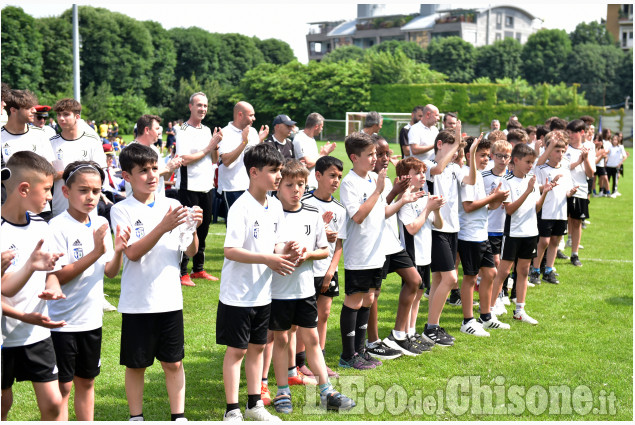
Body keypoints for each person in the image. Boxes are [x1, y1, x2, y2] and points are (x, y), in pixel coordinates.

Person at [110, 143, 202, 421]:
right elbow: (133, 254)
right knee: (136, 365)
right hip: (138, 302)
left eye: (154, 169)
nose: (151, 175)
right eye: (143, 171)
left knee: (173, 362)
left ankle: (179, 416)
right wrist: (163, 226)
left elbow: (190, 251)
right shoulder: (120, 209)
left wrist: (193, 229)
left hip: (169, 299)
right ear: (127, 176)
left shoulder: (172, 205)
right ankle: (136, 417)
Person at [216, 143, 295, 421]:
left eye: (280, 170)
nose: (278, 176)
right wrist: (267, 259)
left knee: (258, 348)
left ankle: (254, 405)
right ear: (253, 172)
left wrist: (287, 250)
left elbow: (275, 245)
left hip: (263, 293)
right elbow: (230, 251)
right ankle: (232, 410)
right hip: (238, 294)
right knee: (236, 350)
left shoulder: (275, 205)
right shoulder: (240, 207)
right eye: (274, 171)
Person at [269, 159, 355, 414]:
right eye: (290, 185)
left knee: (312, 339)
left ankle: (327, 391)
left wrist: (307, 255)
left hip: (305, 290)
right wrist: (283, 251)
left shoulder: (312, 214)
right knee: (282, 339)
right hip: (278, 291)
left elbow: (324, 250)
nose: (296, 189)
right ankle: (282, 390)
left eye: (300, 184)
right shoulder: (271, 213)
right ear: (278, 187)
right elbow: (266, 250)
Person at [47, 161, 130, 420]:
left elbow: (109, 271)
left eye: (96, 191)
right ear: (65, 192)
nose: (91, 197)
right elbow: (58, 276)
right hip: (61, 323)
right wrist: (96, 252)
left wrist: (117, 252)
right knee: (63, 386)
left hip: (91, 321)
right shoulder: (56, 227)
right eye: (83, 190)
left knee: (87, 382)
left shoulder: (100, 222)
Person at [1, 151, 66, 421]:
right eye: (48, 190)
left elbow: (50, 272)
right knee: (3, 403)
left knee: (53, 403)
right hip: (4, 339)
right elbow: (6, 289)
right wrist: (30, 266)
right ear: (24, 189)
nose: (51, 197)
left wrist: (52, 287)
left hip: (35, 334)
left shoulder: (42, 226)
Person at [369, 135, 430, 358]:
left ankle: (398, 334)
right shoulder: (366, 180)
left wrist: (401, 194)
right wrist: (397, 194)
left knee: (415, 280)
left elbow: (391, 207)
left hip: (391, 241)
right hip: (375, 243)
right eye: (380, 154)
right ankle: (372, 340)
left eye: (387, 153)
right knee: (373, 293)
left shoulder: (385, 180)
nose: (385, 158)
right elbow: (373, 210)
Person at [421, 122, 478, 346]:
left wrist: (470, 154)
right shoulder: (428, 164)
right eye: (452, 147)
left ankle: (431, 325)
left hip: (453, 228)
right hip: (436, 228)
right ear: (440, 145)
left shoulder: (455, 168)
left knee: (438, 279)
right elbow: (436, 170)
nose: (457, 154)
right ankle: (431, 327)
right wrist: (456, 142)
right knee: (451, 278)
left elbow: (471, 180)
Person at [337, 132, 386, 370]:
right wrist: (378, 191)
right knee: (354, 301)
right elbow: (357, 216)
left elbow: (382, 212)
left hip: (376, 251)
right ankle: (348, 355)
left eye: (375, 153)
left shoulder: (373, 178)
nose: (375, 158)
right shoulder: (349, 183)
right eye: (370, 155)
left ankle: (361, 349)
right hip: (359, 253)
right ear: (354, 158)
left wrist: (402, 197)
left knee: (368, 299)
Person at [490, 143, 554, 326]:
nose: (530, 165)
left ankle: (519, 310)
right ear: (515, 160)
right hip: (513, 233)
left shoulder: (531, 180)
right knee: (503, 271)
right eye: (527, 161)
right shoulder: (507, 182)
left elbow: (535, 208)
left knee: (524, 271)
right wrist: (528, 190)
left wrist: (544, 194)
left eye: (532, 162)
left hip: (530, 232)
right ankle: (491, 310)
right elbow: (509, 210)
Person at [456, 138, 510, 337]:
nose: (486, 159)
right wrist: (492, 198)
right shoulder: (467, 176)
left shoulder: (478, 176)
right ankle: (467, 321)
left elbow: (487, 207)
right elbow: (468, 206)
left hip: (481, 233)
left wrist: (496, 199)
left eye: (488, 155)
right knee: (470, 277)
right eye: (482, 155)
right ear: (470, 155)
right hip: (468, 235)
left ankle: (485, 317)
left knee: (490, 274)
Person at [300, 156, 346, 378]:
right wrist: (321, 231)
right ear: (317, 176)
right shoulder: (304, 203)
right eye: (331, 175)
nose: (336, 180)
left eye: (338, 176)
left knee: (324, 314)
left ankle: (320, 359)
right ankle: (300, 363)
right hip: (306, 270)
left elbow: (339, 244)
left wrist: (331, 271)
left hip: (327, 270)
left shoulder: (339, 208)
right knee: (305, 318)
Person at [395, 157, 444, 345]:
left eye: (424, 172)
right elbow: (412, 229)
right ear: (405, 177)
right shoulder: (405, 200)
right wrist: (428, 209)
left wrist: (436, 209)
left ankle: (412, 331)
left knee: (418, 296)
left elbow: (439, 225)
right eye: (418, 173)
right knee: (411, 295)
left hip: (425, 255)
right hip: (411, 255)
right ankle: (403, 333)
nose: (423, 176)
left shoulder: (424, 196)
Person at [176, 94, 223, 286]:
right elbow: (184, 159)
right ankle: (182, 271)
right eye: (199, 105)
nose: (202, 109)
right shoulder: (183, 130)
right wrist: (208, 147)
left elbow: (213, 159)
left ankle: (198, 269)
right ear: (190, 107)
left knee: (203, 229)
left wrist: (216, 145)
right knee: (188, 228)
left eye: (205, 105)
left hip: (206, 186)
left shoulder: (207, 129)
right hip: (189, 186)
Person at [530, 131, 577, 285]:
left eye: (563, 151)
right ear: (549, 152)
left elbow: (567, 192)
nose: (560, 154)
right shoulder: (542, 168)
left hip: (561, 211)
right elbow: (538, 188)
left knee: (555, 241)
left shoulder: (564, 169)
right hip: (545, 211)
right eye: (557, 151)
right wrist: (547, 186)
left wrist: (571, 192)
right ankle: (535, 270)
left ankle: (549, 270)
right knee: (543, 241)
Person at [49, 98, 107, 218]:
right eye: (58, 115)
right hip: (61, 207)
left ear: (77, 117)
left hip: (88, 207)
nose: (61, 118)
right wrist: (68, 174)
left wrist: (70, 174)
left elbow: (99, 174)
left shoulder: (92, 141)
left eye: (66, 114)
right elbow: (47, 177)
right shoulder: (51, 143)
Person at [218, 100, 268, 210]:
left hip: (252, 187)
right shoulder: (224, 133)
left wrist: (260, 141)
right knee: (236, 225)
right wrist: (244, 142)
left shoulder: (253, 131)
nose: (254, 118)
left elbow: (253, 156)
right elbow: (226, 161)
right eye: (251, 115)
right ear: (240, 115)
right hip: (232, 188)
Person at [482, 139, 513, 309]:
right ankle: (494, 298)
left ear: (510, 158)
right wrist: (493, 198)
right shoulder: (484, 177)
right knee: (495, 263)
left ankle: (498, 296)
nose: (502, 159)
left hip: (506, 228)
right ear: (493, 156)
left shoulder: (511, 178)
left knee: (503, 265)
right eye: (499, 156)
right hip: (490, 227)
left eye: (506, 156)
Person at [562, 119, 594, 267]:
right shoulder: (563, 148)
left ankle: (574, 254)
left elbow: (590, 173)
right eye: (568, 133)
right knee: (560, 222)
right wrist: (578, 161)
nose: (570, 136)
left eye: (572, 133)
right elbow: (562, 168)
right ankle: (554, 252)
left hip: (580, 190)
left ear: (581, 133)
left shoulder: (588, 148)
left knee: (576, 222)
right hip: (563, 190)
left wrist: (585, 159)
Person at [292, 112, 335, 192]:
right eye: (322, 126)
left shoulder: (311, 139)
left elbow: (314, 160)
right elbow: (308, 163)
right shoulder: (300, 139)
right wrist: (323, 154)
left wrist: (322, 154)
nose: (321, 129)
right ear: (316, 126)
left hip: (313, 184)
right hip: (305, 186)